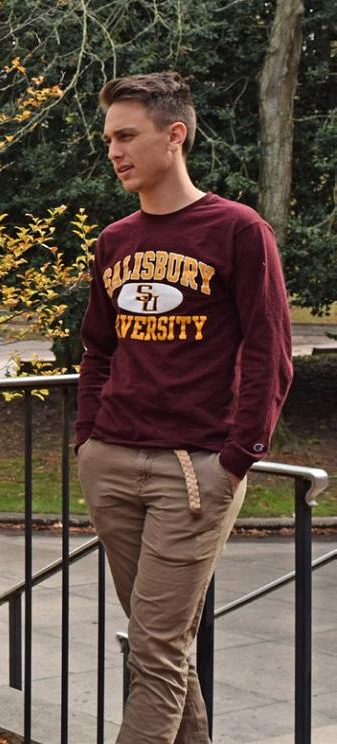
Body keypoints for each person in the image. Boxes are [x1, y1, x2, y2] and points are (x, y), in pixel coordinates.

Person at [77, 72, 292, 744]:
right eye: (108, 137)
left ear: (175, 135)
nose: (113, 150)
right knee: (156, 641)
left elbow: (270, 350)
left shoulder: (237, 230)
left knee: (155, 646)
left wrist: (240, 456)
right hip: (111, 460)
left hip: (194, 472)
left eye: (127, 135)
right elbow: (97, 349)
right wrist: (87, 439)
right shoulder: (116, 239)